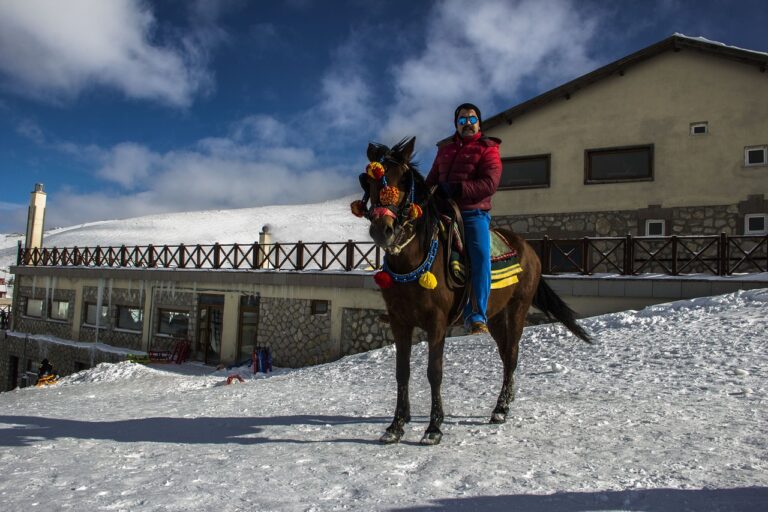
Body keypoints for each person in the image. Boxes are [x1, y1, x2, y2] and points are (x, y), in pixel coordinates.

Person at [426, 102, 502, 334]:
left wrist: (458, 189)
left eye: (471, 119)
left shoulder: (488, 149)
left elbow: (490, 183)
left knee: (480, 256)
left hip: (472, 212)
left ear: (479, 123)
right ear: (456, 124)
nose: (467, 123)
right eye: (462, 120)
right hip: (442, 210)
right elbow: (431, 180)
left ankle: (477, 315)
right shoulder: (445, 150)